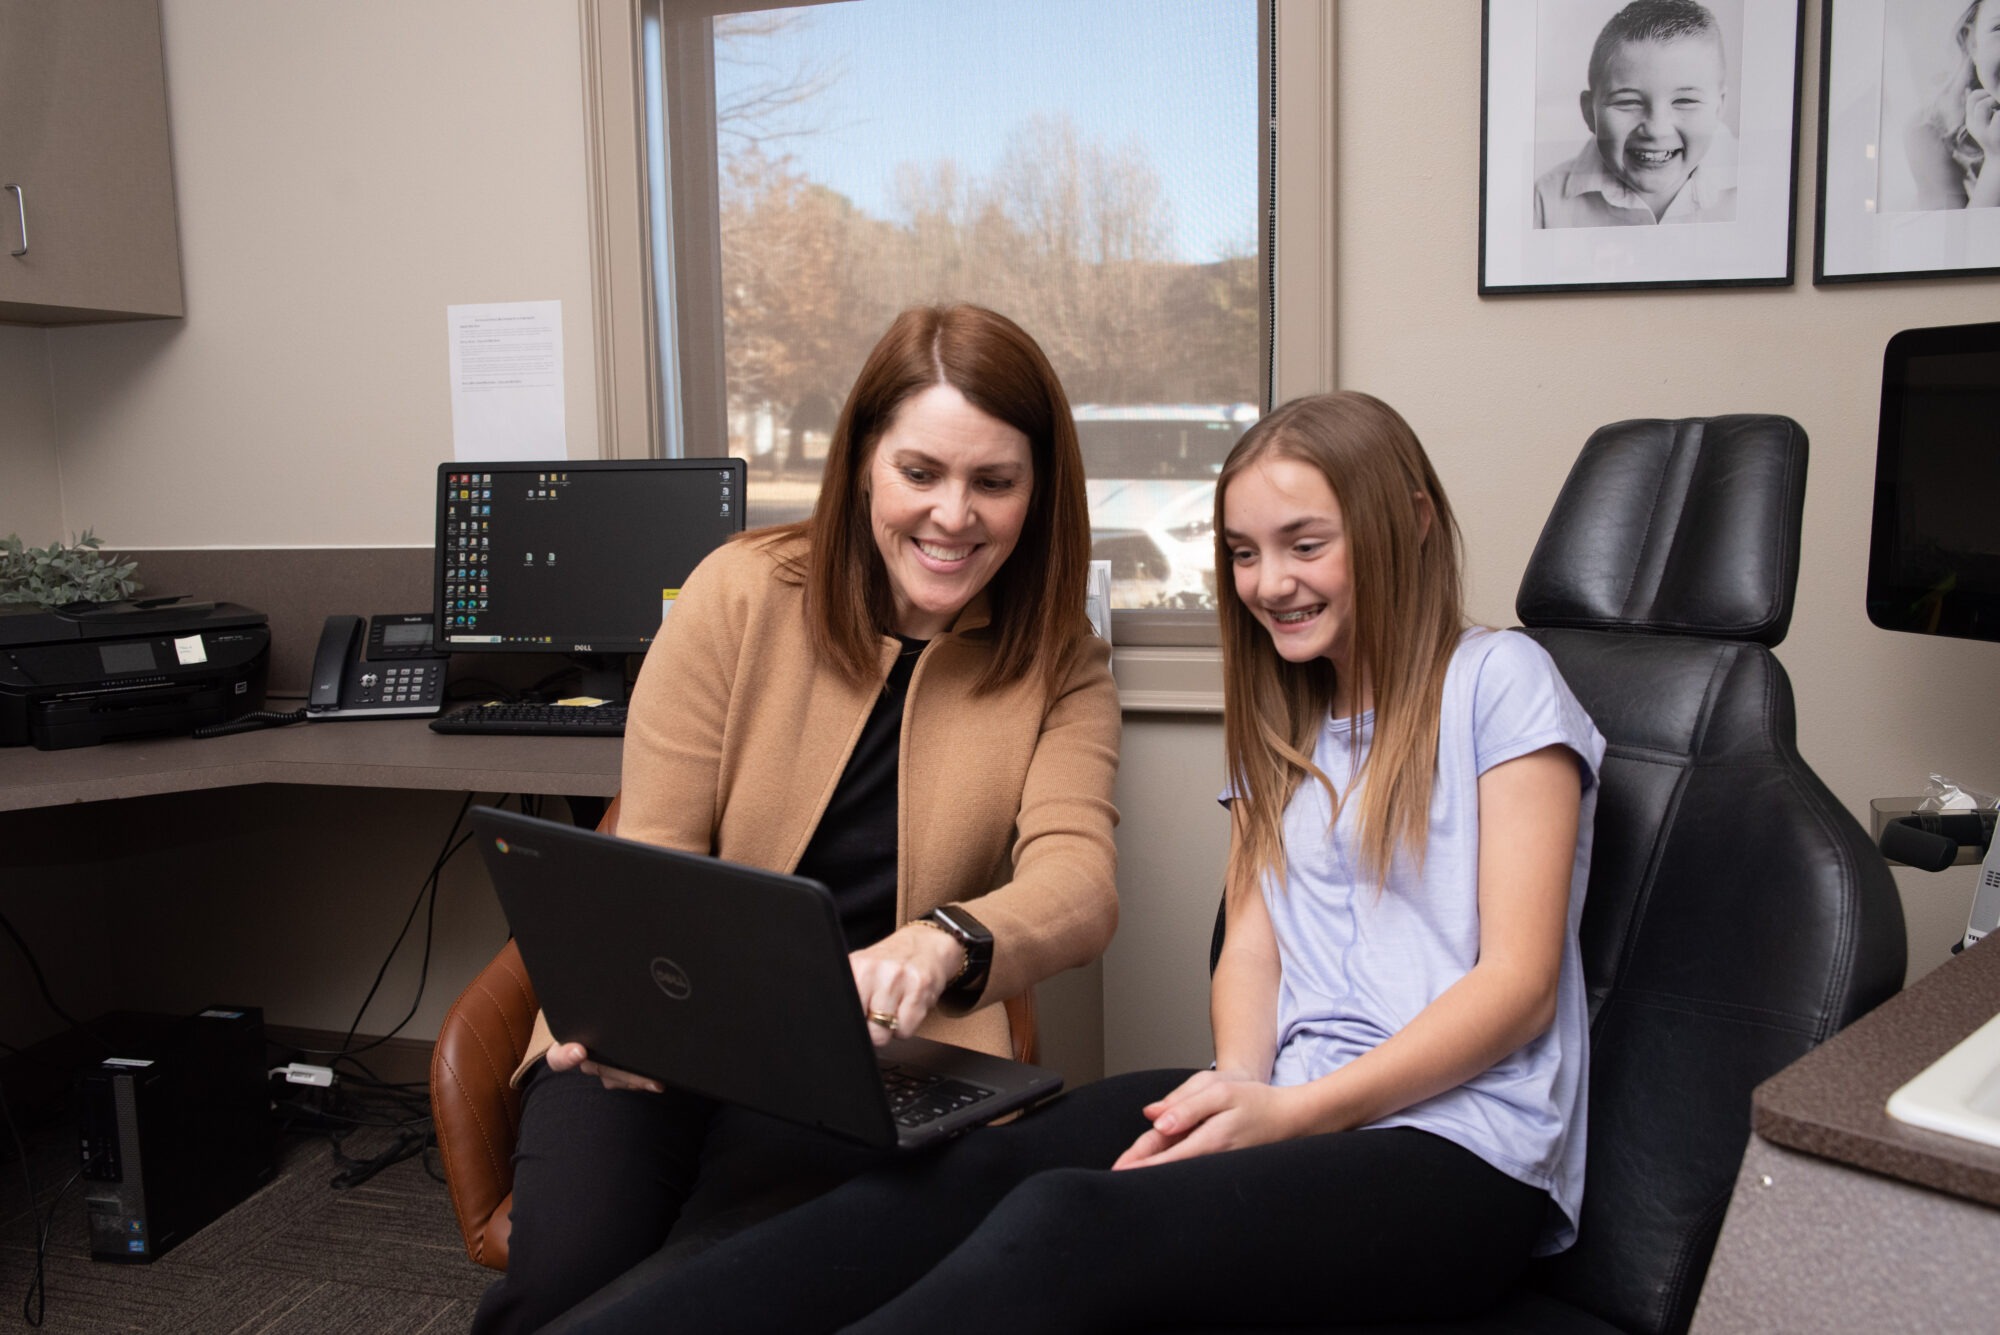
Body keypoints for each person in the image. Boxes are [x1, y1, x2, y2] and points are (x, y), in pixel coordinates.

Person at [539, 391, 1607, 1334]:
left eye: (1303, 544)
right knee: (977, 1167)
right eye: (1240, 553)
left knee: (1067, 1217)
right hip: (1291, 1101)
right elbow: (1250, 949)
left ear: (1407, 523)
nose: (1268, 582)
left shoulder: (1500, 680)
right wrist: (1237, 1084)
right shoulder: (1285, 718)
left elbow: (1514, 988)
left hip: (1459, 1157)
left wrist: (1288, 1116)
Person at [470, 304, 1122, 1333]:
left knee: (727, 1283)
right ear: (863, 461)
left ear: (1036, 492)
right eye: (920, 473)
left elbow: (1079, 883)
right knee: (562, 1287)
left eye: (992, 482)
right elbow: (652, 854)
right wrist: (630, 1013)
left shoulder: (1060, 659)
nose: (953, 516)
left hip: (882, 1054)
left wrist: (939, 943)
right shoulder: (736, 593)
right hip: (668, 1018)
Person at [1535, 0, 1737, 227]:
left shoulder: (1763, 188)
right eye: (1628, 102)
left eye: (1684, 101)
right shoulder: (1545, 202)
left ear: (1718, 108)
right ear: (1589, 113)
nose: (1656, 129)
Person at [1905, 0, 2000, 209]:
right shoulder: (1932, 131)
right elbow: (1953, 241)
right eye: (1999, 28)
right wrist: (1996, 162)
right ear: (1972, 44)